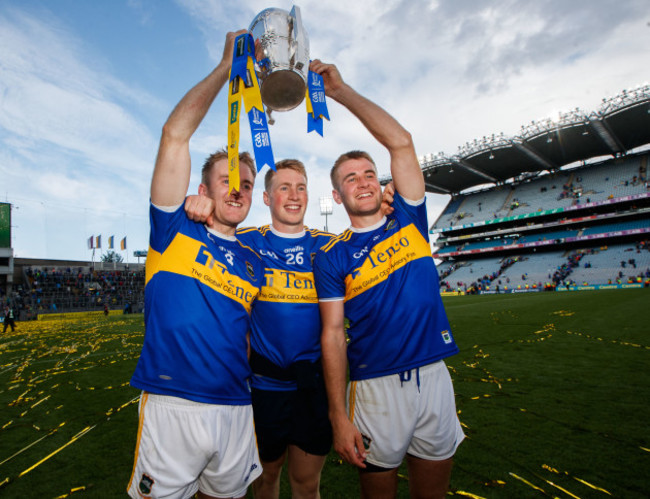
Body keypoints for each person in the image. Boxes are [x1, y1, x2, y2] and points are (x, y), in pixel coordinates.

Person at [311, 60, 465, 499]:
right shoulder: (332, 257)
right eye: (348, 179)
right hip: (375, 387)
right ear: (338, 197)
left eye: (367, 174)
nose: (361, 182)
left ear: (380, 184)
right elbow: (332, 334)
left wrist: (341, 93)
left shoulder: (410, 220)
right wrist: (339, 416)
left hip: (434, 375)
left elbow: (402, 142)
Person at [126, 30, 264, 499]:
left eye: (245, 183)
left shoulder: (252, 261)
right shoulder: (173, 231)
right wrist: (227, 67)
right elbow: (174, 134)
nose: (236, 189)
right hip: (173, 405)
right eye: (225, 180)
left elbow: (245, 335)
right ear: (203, 190)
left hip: (236, 407)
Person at [185, 159, 335, 499]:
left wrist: (388, 211)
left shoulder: (328, 246)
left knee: (307, 485)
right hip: (262, 389)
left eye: (300, 187)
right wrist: (198, 205)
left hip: (312, 387)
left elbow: (365, 242)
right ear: (267, 198)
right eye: (284, 187)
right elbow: (208, 230)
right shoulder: (247, 242)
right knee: (265, 480)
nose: (294, 195)